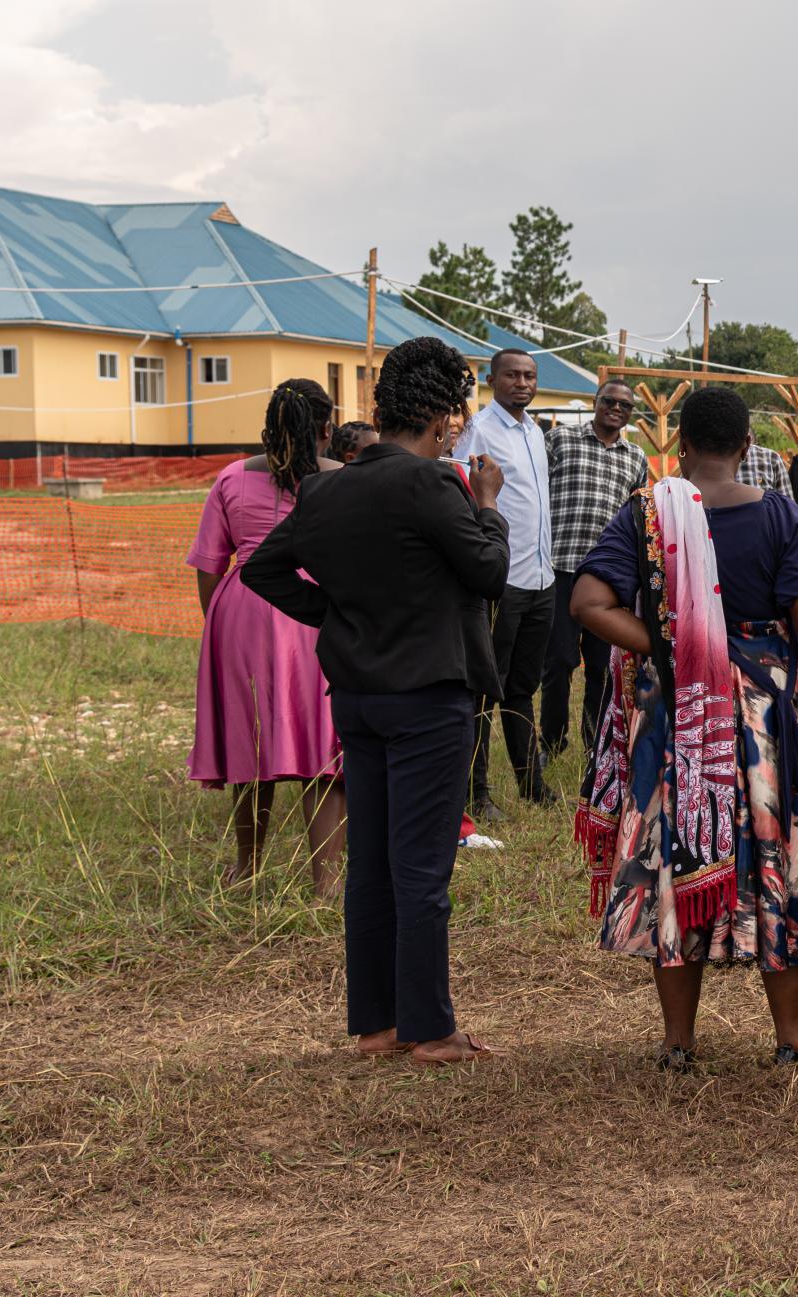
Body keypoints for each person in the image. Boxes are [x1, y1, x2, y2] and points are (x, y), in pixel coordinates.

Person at [242, 336, 510, 1065]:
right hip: (428, 698)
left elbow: (262, 567)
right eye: (454, 413)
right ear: (439, 417)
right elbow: (487, 570)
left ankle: (376, 1025)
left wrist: (335, 614)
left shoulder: (329, 487)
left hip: (359, 697)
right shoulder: (432, 484)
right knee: (423, 869)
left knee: (372, 865)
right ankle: (430, 1029)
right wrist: (488, 504)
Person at [571, 386, 798, 1069]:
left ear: (682, 445)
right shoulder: (780, 515)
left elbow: (588, 601)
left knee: (675, 855)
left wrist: (670, 647)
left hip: (675, 715)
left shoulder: (647, 514)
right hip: (765, 720)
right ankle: (789, 1036)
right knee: (776, 857)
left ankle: (677, 1040)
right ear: (748, 448)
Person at [186, 378, 346, 895]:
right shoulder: (343, 480)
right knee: (325, 748)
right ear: (326, 428)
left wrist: (223, 625)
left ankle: (247, 865)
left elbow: (210, 566)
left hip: (244, 609)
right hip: (317, 610)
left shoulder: (231, 478)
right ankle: (326, 883)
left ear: (269, 425)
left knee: (248, 742)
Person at [453, 347, 555, 816]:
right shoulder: (479, 432)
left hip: (540, 578)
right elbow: (464, 494)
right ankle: (477, 792)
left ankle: (531, 785)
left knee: (523, 687)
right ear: (492, 379)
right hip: (501, 579)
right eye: (512, 375)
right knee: (483, 690)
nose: (523, 383)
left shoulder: (534, 431)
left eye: (530, 375)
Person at [542, 379, 648, 779]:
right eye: (610, 401)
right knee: (558, 661)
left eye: (625, 405)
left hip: (610, 577)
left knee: (602, 667)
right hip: (561, 565)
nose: (617, 409)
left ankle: (595, 744)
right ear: (595, 402)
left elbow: (639, 515)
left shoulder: (635, 457)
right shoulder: (560, 441)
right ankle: (552, 743)